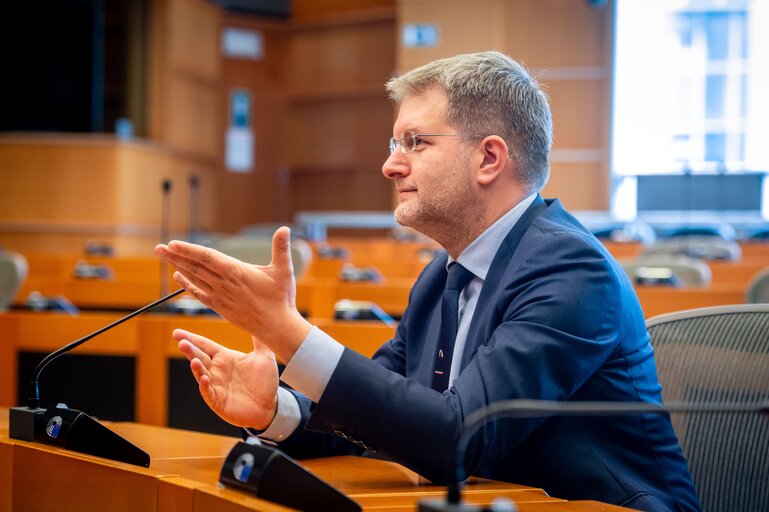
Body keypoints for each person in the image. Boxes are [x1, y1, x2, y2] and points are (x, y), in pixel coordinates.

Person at [155, 51, 701, 512]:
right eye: (395, 144)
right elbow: (388, 418)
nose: (391, 166)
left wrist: (287, 334)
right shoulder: (442, 274)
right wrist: (276, 409)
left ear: (489, 158)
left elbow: (458, 439)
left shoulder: (570, 272)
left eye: (414, 142)